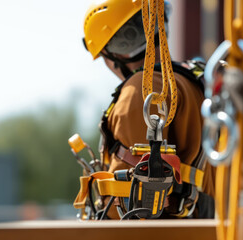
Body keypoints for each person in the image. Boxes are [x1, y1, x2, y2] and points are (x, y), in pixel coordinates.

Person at [82, 0, 216, 219]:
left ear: (116, 52)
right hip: (197, 222)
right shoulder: (190, 81)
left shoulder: (139, 90)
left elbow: (132, 198)